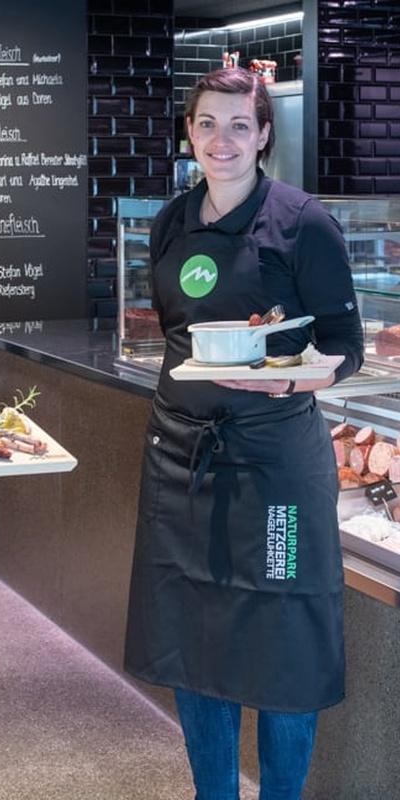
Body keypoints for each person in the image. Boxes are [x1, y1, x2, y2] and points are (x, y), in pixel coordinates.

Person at [124, 68, 364, 800]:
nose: (220, 140)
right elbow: (170, 332)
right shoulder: (171, 220)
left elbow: (344, 346)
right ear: (189, 133)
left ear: (263, 135)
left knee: (284, 640)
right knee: (194, 635)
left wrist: (288, 379)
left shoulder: (303, 222)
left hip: (274, 465)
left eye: (238, 125)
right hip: (180, 458)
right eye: (206, 124)